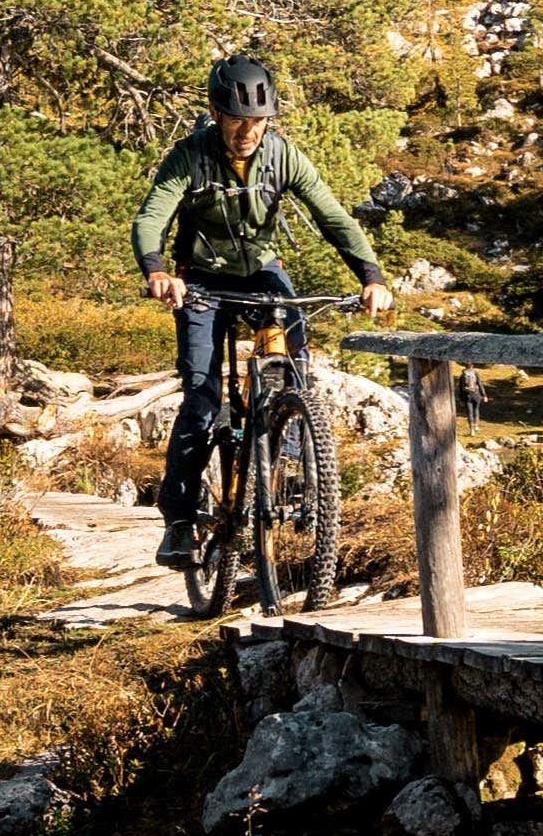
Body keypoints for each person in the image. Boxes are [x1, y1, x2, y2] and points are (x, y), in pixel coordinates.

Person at [137, 54, 386, 566]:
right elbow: (153, 215)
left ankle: (291, 444)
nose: (248, 131)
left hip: (262, 271)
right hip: (200, 279)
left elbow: (333, 218)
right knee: (202, 401)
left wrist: (371, 277)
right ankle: (179, 520)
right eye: (237, 120)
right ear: (216, 113)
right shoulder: (189, 156)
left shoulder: (283, 156)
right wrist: (158, 270)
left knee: (295, 368)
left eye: (258, 121)